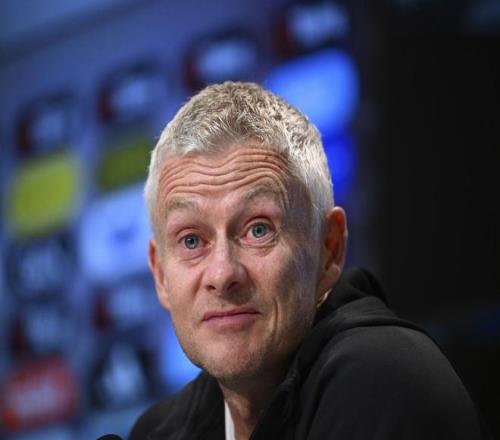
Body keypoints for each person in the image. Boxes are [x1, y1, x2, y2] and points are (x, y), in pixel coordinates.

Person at [130, 82, 491, 439]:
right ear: (160, 274)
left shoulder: (386, 382)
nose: (222, 274)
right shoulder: (159, 431)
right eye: (191, 240)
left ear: (329, 249)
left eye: (258, 230)